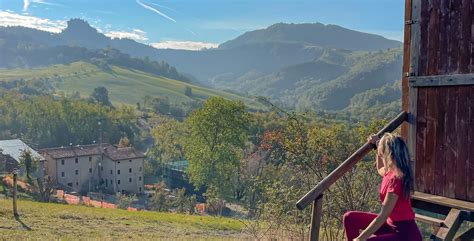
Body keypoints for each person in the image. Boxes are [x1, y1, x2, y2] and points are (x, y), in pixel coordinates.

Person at [343, 133, 422, 241]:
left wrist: (360, 238)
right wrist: (377, 144)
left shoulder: (396, 178)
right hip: (390, 225)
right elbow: (380, 167)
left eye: (381, 150)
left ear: (386, 153)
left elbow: (383, 215)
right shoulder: (389, 171)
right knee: (350, 218)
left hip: (406, 235)